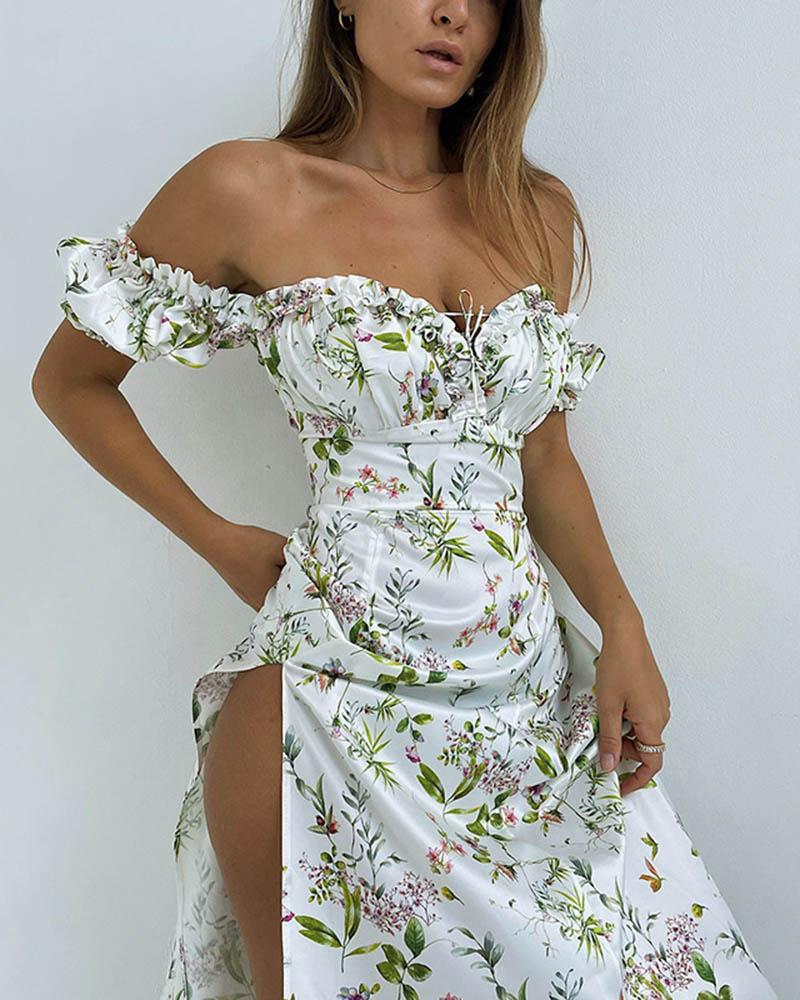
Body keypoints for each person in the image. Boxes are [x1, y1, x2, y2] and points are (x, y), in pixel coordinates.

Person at [32, 3, 779, 999]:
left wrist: (622, 621)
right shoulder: (245, 188)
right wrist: (215, 539)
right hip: (324, 700)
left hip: (527, 705)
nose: (453, 13)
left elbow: (542, 449)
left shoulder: (532, 210)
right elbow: (71, 380)